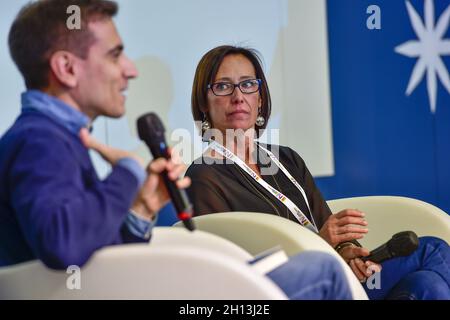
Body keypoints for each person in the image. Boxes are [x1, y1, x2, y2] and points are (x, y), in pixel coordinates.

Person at [0, 0, 353, 300]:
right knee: (320, 270)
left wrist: (139, 209)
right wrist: (127, 174)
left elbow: (90, 254)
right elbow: (62, 245)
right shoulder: (40, 141)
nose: (130, 70)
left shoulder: (53, 138)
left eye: (248, 86)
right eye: (115, 55)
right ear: (66, 68)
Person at [186, 45, 450, 300]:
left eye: (248, 84)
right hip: (288, 290)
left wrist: (349, 252)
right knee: (433, 251)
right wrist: (317, 242)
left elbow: (327, 224)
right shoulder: (204, 176)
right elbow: (230, 268)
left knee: (428, 285)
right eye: (222, 86)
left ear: (260, 98)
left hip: (339, 273)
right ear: (203, 104)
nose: (238, 96)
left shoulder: (286, 158)